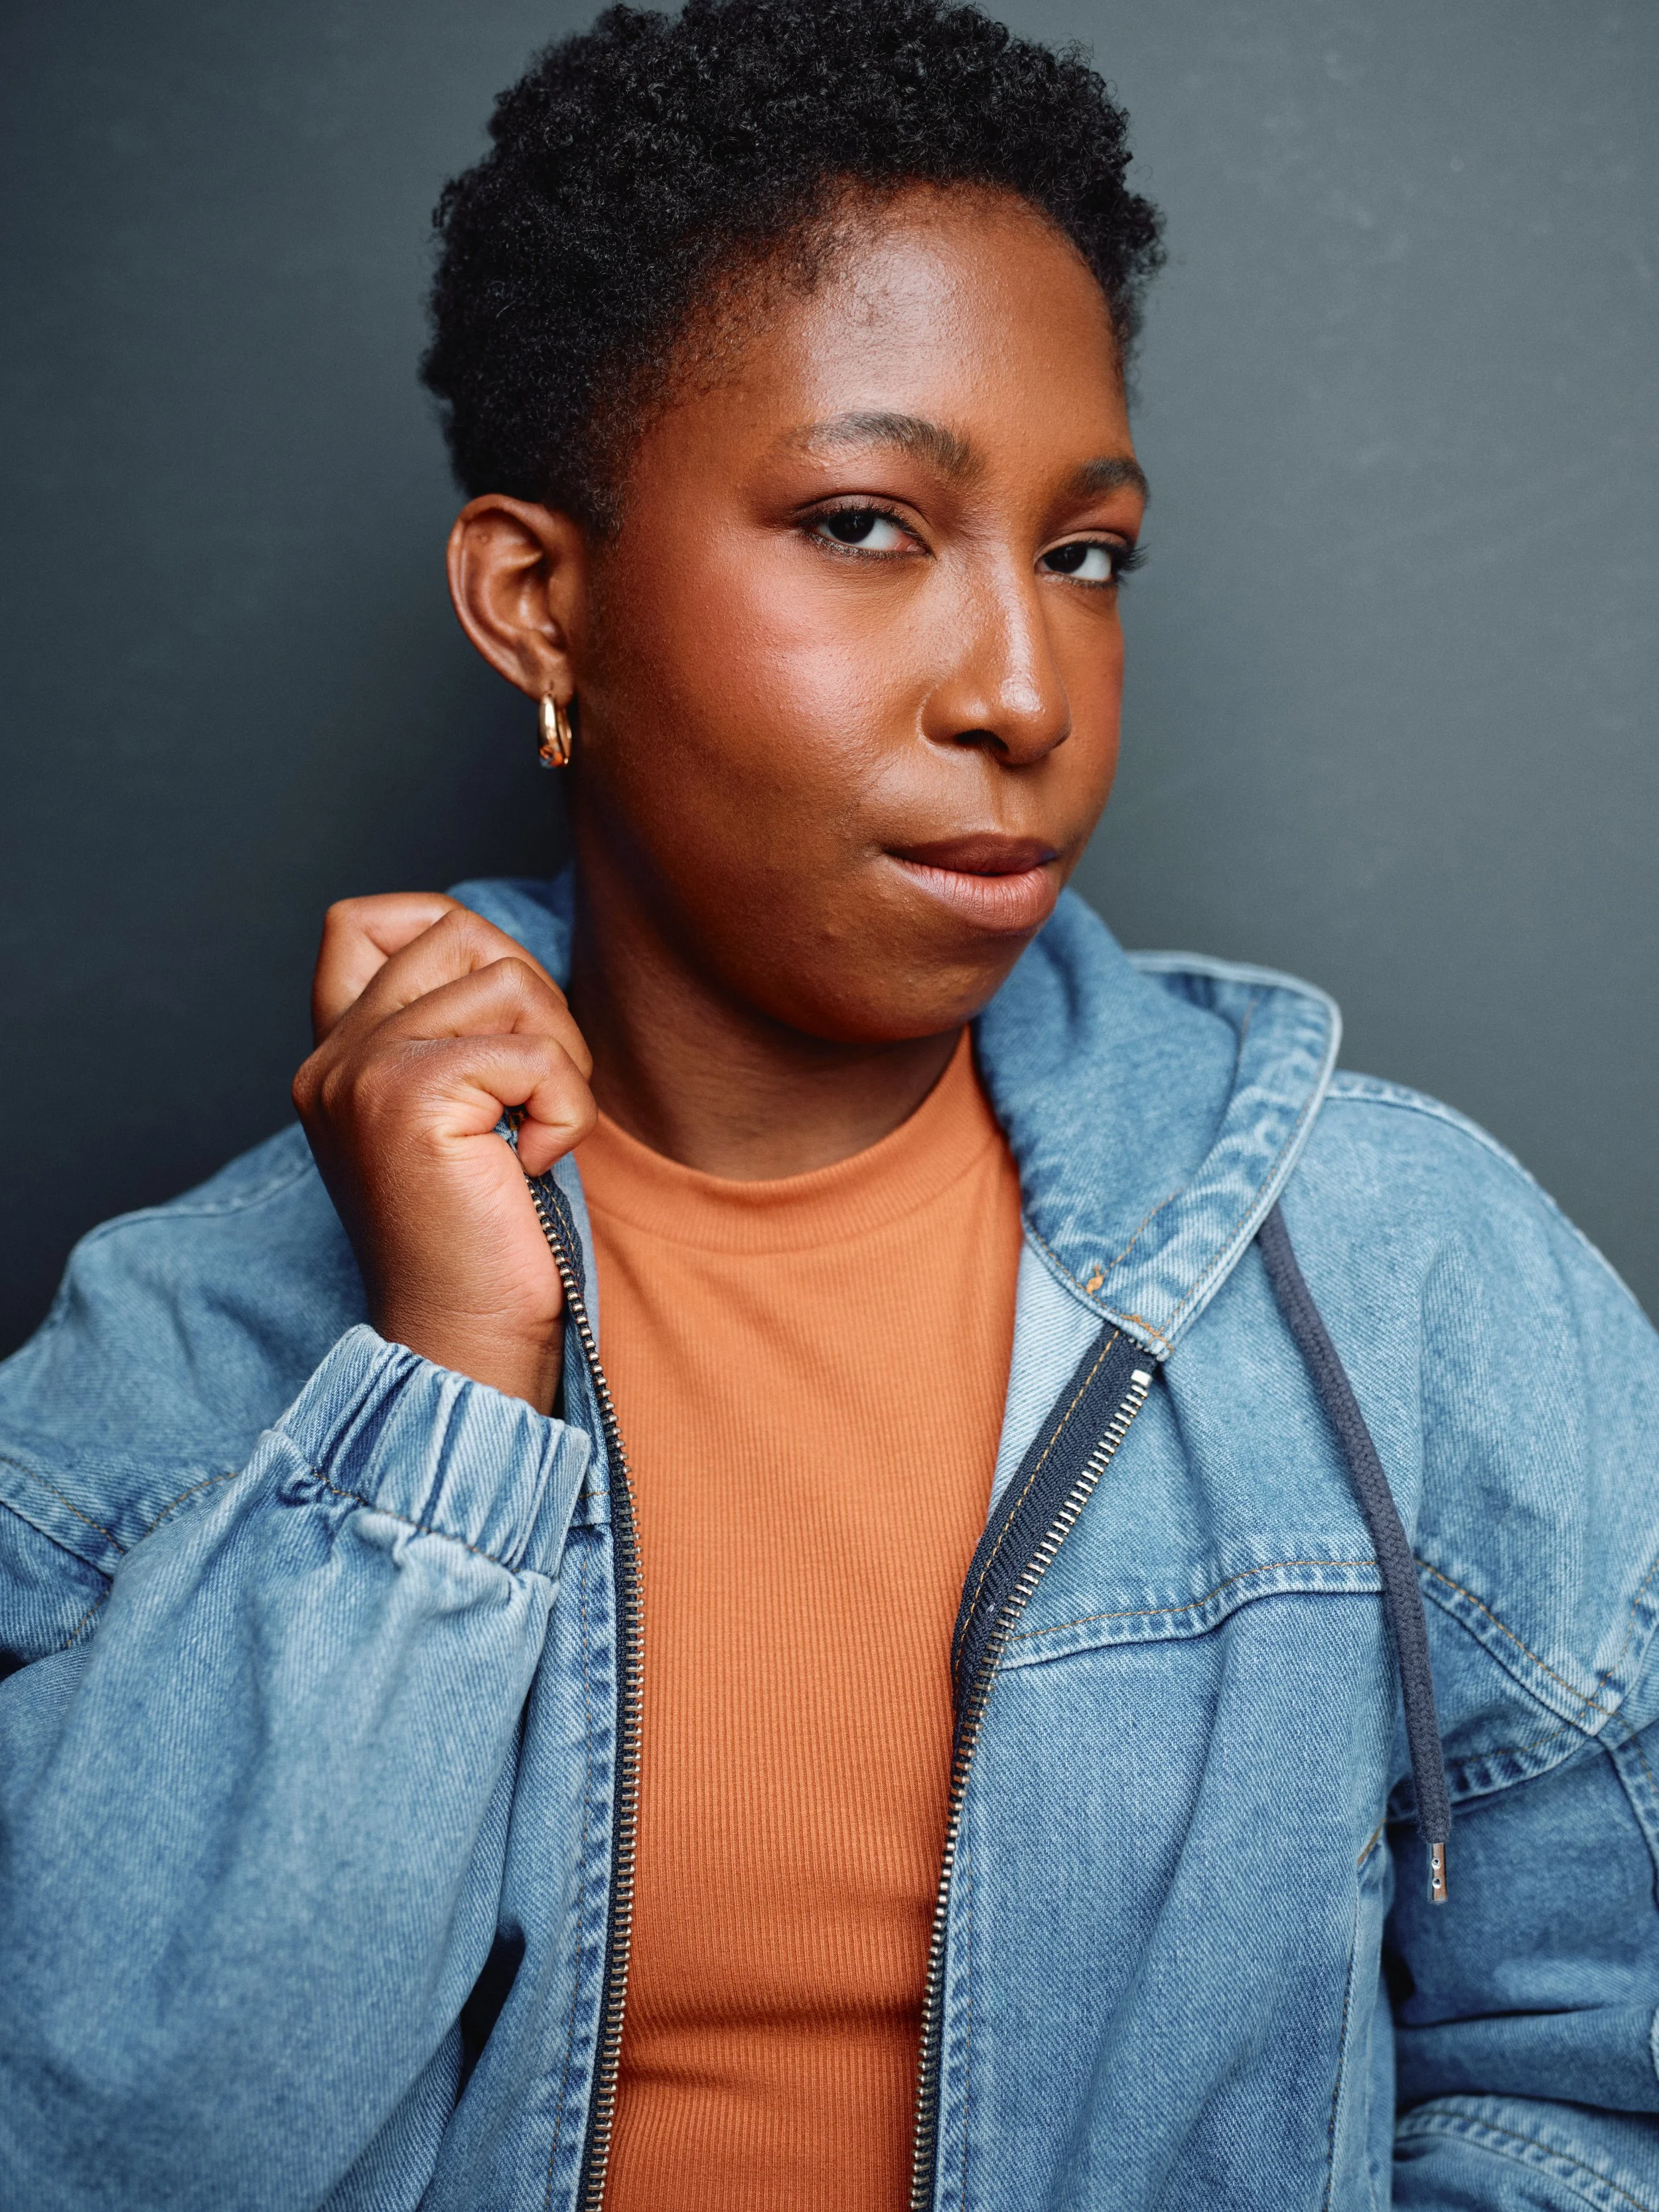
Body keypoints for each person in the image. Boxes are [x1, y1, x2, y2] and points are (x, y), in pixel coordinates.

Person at [2, 0, 1656, 2205]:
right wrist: (438, 1401)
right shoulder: (202, 1339)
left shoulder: (1396, 1268)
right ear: (535, 603)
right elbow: (109, 2150)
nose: (1018, 690)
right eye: (869, 524)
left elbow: (1602, 2068)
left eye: (1084, 556)